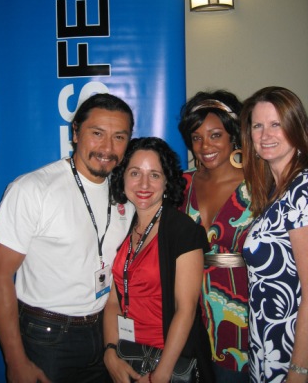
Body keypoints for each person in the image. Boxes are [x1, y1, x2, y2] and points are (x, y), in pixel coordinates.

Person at [0, 93, 135, 383]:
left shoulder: (124, 195)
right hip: (48, 338)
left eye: (119, 137)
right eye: (97, 134)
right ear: (75, 132)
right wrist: (15, 361)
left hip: (103, 331)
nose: (107, 148)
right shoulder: (33, 189)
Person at [103, 137, 214, 383]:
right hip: (127, 353)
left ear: (167, 181)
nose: (144, 184)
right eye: (135, 173)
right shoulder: (124, 225)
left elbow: (186, 311)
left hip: (167, 361)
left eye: (154, 174)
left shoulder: (183, 231)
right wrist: (110, 351)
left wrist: (160, 375)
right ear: (122, 177)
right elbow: (113, 301)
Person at [178, 90, 254, 383]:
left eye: (215, 135)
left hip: (244, 309)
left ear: (233, 135)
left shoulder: (259, 182)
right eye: (196, 137)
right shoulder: (182, 184)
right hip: (191, 307)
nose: (204, 146)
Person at [240, 86, 308, 383]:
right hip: (270, 344)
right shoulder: (278, 191)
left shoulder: (302, 191)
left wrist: (299, 370)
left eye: (276, 124)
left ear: (295, 127)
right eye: (258, 126)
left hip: (290, 353)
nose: (265, 134)